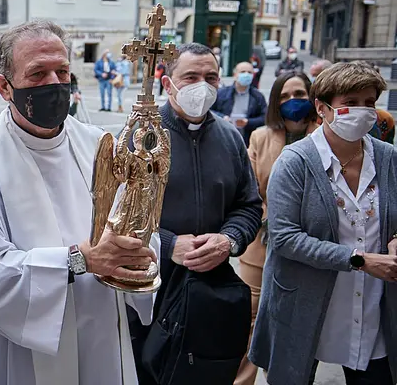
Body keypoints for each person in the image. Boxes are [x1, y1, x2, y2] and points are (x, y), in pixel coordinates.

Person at [0, 20, 158, 384]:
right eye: (37, 74)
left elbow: (133, 222)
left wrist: (136, 254)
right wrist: (80, 260)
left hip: (99, 324)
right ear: (3, 86)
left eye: (62, 71)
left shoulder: (99, 145)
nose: (54, 84)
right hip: (24, 344)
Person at [250, 61, 397, 385]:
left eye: (369, 103)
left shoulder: (387, 158)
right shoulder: (296, 161)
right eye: (351, 103)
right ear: (323, 108)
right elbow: (284, 237)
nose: (362, 111)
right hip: (306, 301)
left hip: (371, 303)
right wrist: (358, 260)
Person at [125, 43, 263, 383]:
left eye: (210, 77)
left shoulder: (230, 137)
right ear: (168, 83)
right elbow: (119, 215)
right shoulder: (140, 136)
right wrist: (169, 244)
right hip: (150, 287)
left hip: (209, 288)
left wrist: (228, 240)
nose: (202, 85)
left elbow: (248, 206)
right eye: (191, 77)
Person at [232, 72, 318, 385]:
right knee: (249, 317)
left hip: (310, 244)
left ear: (312, 97)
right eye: (284, 96)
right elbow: (251, 190)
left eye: (299, 93)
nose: (292, 101)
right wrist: (273, 220)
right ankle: (242, 381)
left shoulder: (325, 136)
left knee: (297, 322)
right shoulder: (261, 137)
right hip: (262, 240)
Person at [211, 61, 268, 144]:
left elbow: (264, 117)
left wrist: (248, 122)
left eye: (249, 72)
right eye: (242, 72)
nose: (246, 74)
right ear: (235, 75)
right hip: (223, 136)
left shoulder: (257, 96)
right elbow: (209, 111)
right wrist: (223, 118)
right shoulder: (221, 93)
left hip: (246, 139)